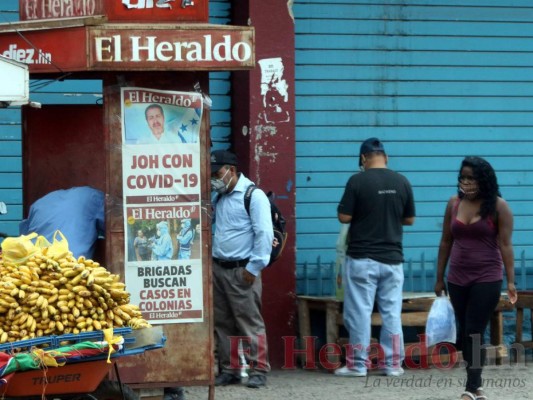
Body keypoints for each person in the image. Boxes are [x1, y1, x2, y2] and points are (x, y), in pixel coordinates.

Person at [434, 156, 517, 400]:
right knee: (464, 332)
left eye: (472, 177)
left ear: (483, 180)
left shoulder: (499, 207)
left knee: (474, 330)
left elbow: (505, 244)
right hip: (457, 278)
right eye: (463, 177)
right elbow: (446, 241)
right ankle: (476, 384)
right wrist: (439, 277)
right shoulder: (453, 204)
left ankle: (471, 387)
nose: (466, 182)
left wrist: (510, 281)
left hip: (487, 277)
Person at [335, 137, 415, 377]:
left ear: (363, 159)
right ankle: (392, 365)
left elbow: (344, 217)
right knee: (392, 312)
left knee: (359, 312)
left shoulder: (357, 181)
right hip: (393, 260)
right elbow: (409, 219)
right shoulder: (402, 181)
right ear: (386, 157)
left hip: (362, 259)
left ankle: (357, 365)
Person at [210, 149, 273, 389]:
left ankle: (259, 370)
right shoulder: (220, 197)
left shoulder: (253, 196)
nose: (214, 179)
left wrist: (254, 267)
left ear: (231, 171)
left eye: (217, 173)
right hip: (219, 269)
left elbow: (264, 233)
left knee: (249, 322)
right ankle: (230, 369)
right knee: (223, 324)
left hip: (242, 271)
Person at [19, 186, 105, 259]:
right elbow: (111, 226)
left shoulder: (39, 203)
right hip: (72, 262)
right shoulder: (94, 197)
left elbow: (24, 234)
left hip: (34, 262)